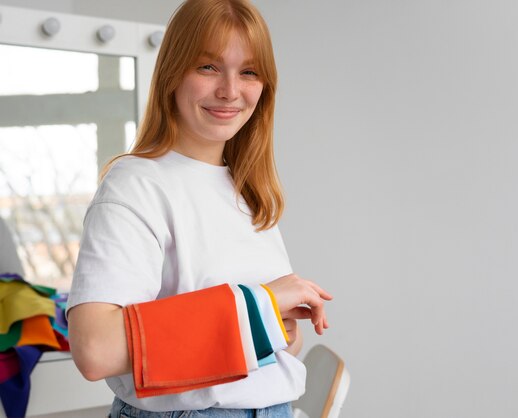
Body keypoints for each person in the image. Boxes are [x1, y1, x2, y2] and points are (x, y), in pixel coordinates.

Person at [66, 0, 332, 416]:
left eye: (249, 72)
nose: (230, 90)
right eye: (208, 67)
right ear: (172, 72)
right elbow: (95, 348)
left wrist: (276, 324)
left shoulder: (245, 191)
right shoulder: (136, 185)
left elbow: (270, 344)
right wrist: (262, 304)